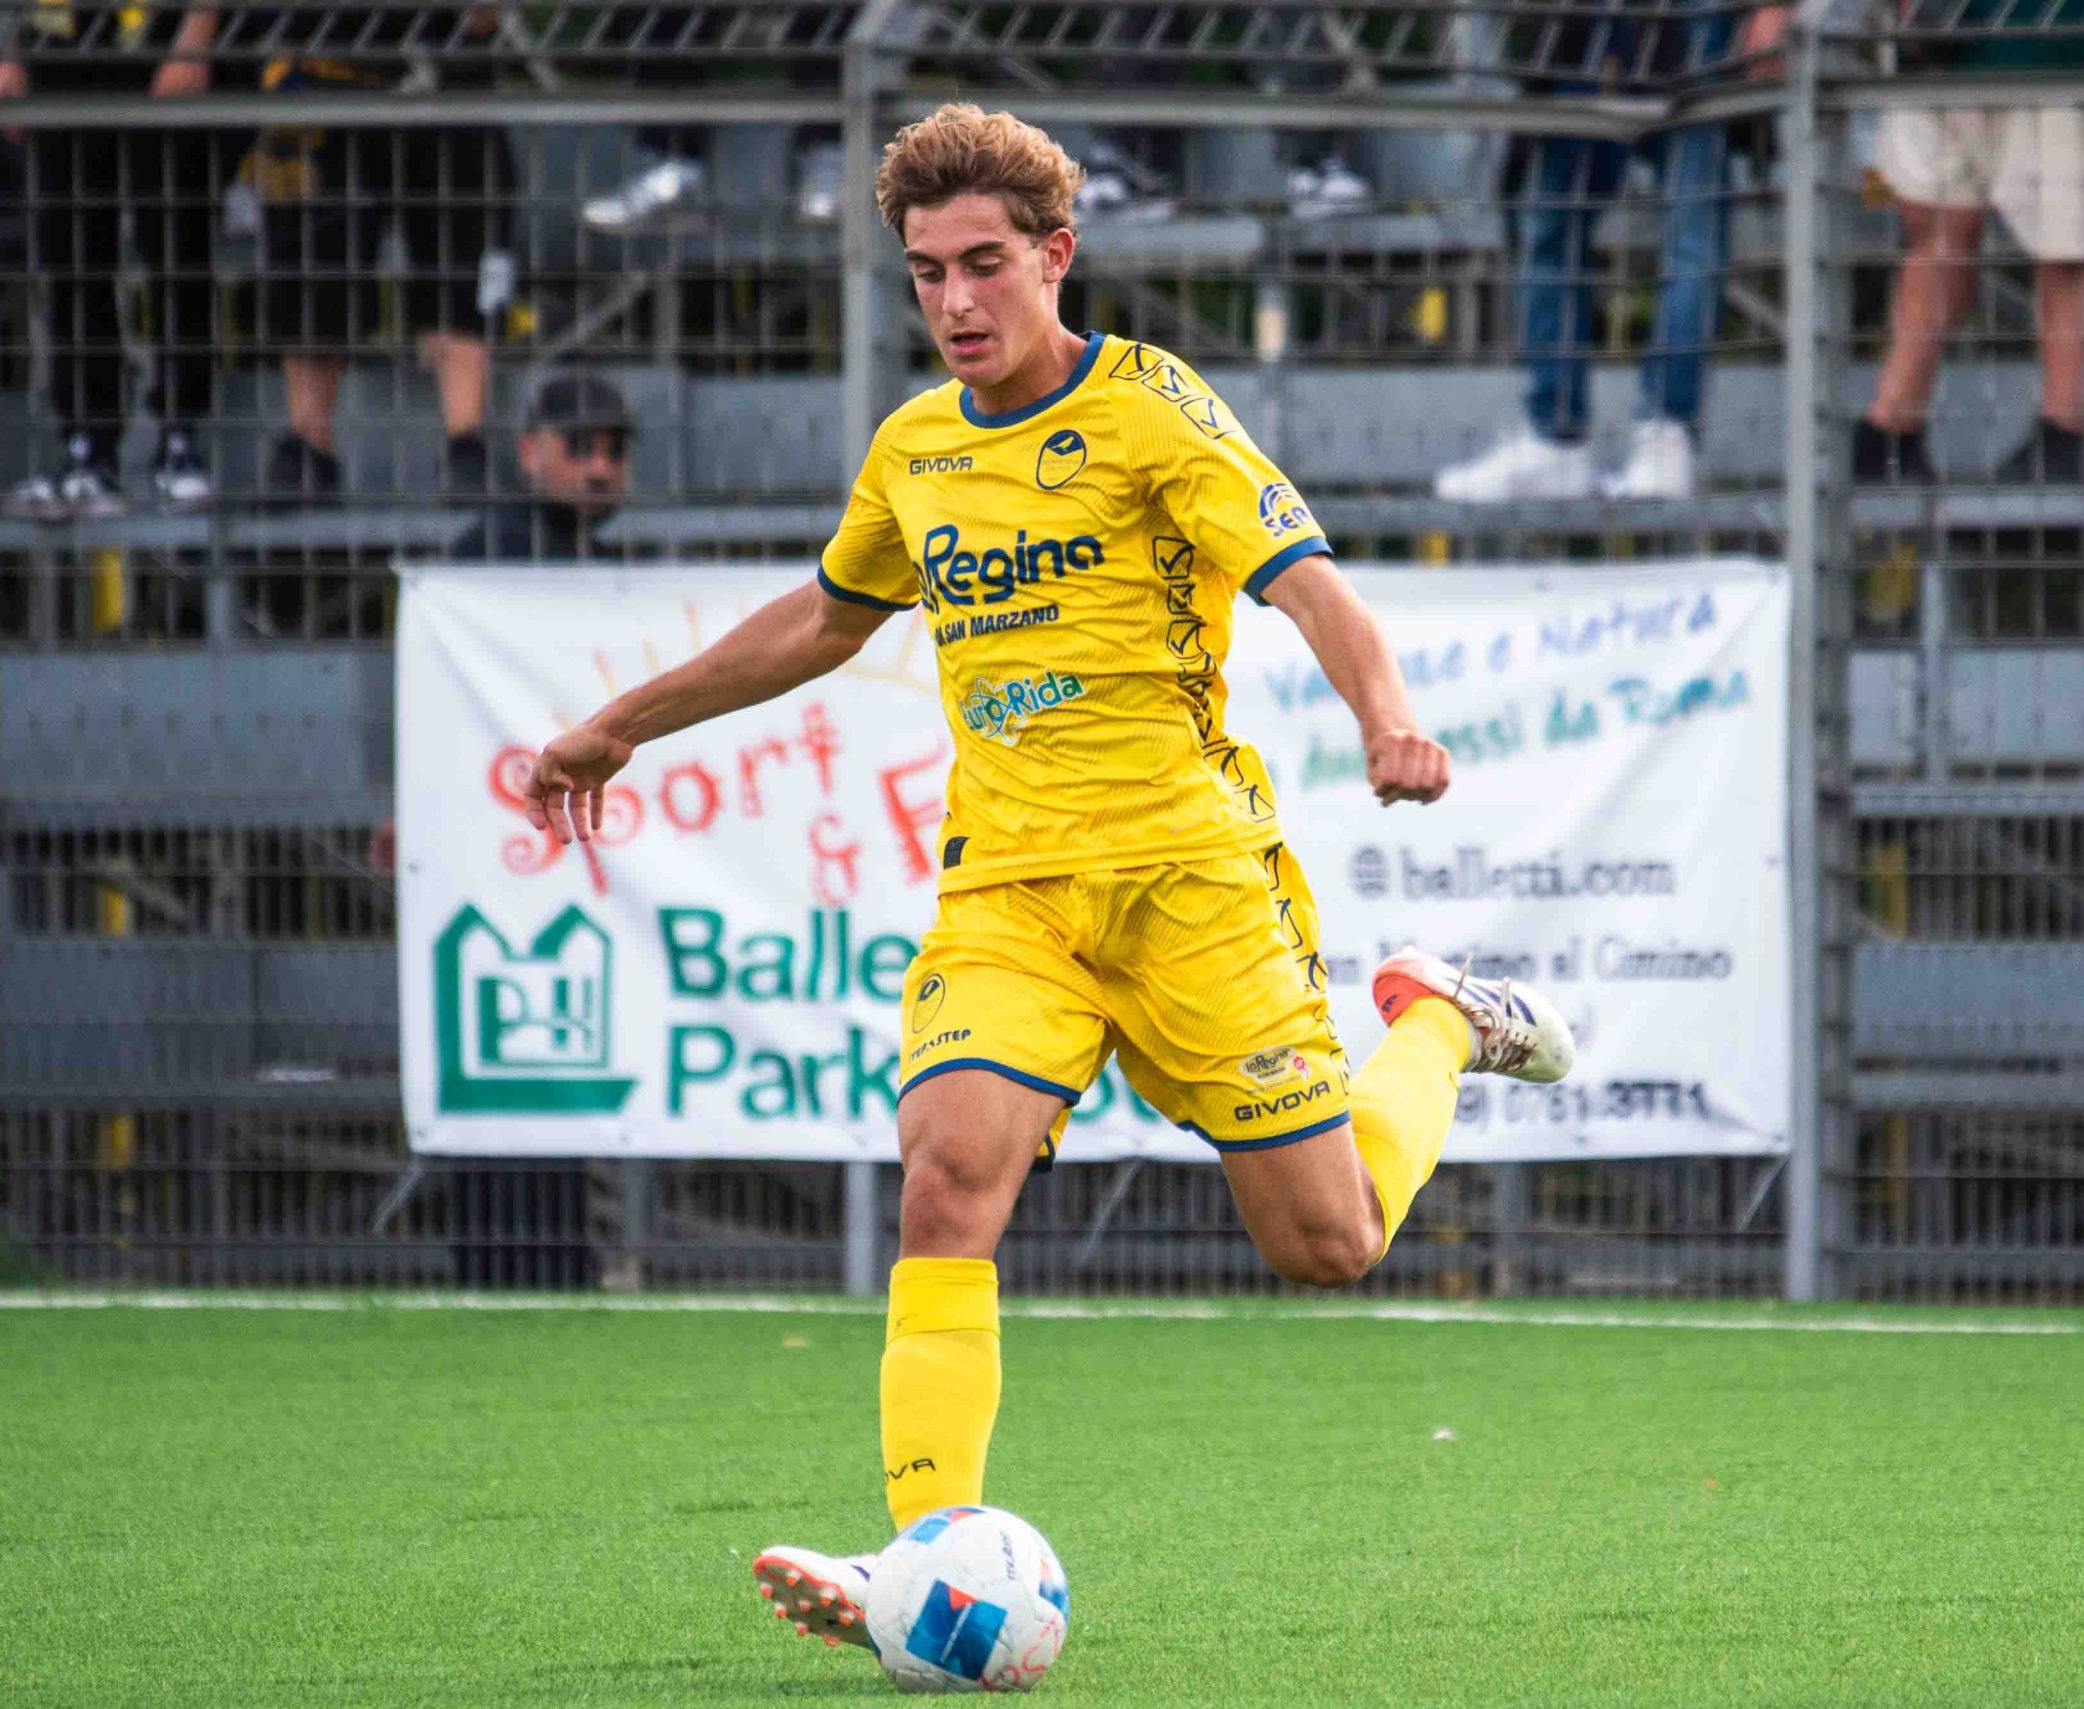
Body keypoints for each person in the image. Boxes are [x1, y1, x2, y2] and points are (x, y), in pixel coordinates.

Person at [514, 104, 1578, 1656]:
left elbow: (1308, 583)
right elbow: (823, 620)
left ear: (1054, 255)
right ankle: (917, 1554)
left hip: (1190, 882)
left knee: (1328, 1244)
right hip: (1010, 892)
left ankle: (1436, 1021)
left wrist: (1388, 716)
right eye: (926, 271)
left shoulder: (1152, 407)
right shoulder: (915, 449)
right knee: (945, 1182)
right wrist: (621, 721)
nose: (954, 301)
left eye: (983, 265)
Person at [1436, 1, 1782, 502]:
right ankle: (1554, 439)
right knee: (1551, 219)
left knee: (1693, 223)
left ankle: (1668, 434)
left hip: (1693, 15)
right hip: (1580, 20)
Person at [1850, 0, 2084, 484]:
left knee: (2071, 239)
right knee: (1932, 231)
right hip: (1939, 48)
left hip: (2065, 45)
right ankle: (1889, 429)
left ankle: (2061, 436)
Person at [247, 4, 516, 505]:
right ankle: (307, 443)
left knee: (465, 249)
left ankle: (466, 445)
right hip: (319, 61)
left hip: (443, 65)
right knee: (312, 259)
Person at [0, 5, 246, 519]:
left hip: (161, 43)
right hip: (62, 55)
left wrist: (195, 38)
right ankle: (87, 446)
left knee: (177, 247)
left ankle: (179, 441)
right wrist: (6, 51)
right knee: (70, 259)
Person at [447, 371, 634, 560]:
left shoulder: (591, 554)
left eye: (616, 450)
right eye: (579, 447)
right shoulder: (497, 548)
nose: (600, 471)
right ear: (530, 452)